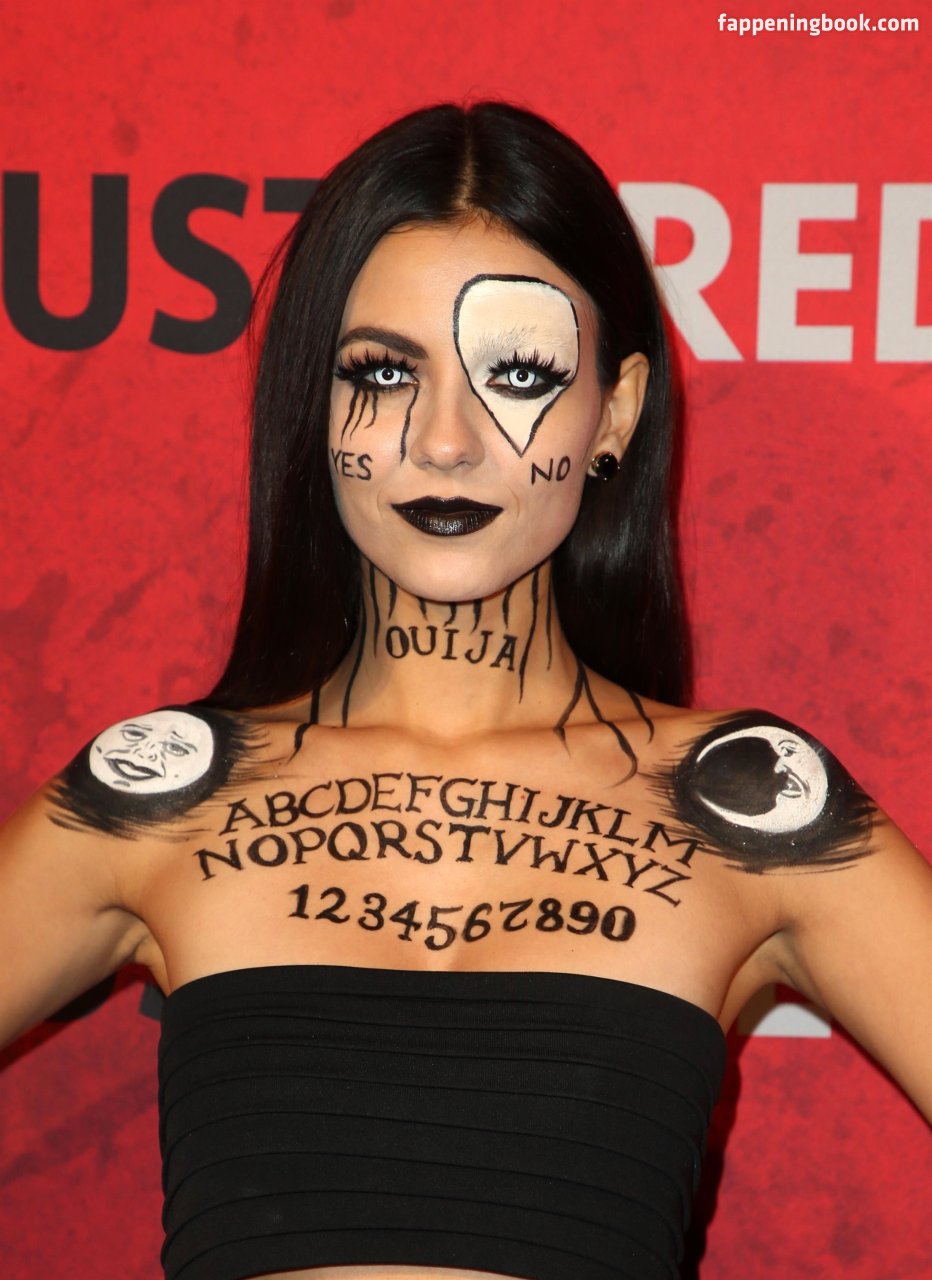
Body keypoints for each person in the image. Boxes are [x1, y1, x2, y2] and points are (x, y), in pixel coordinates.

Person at [1, 101, 930, 1280]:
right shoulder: (159, 796)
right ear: (314, 403)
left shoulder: (746, 812)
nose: (444, 440)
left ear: (614, 412)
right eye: (384, 372)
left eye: (519, 373)